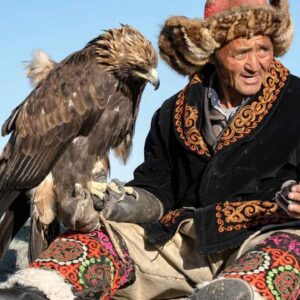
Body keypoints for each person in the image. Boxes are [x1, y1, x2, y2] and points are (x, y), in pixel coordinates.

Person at [0, 0, 299, 299]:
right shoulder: (173, 112)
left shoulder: (295, 100)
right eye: (241, 52)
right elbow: (157, 188)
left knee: (277, 265)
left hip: (265, 236)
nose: (254, 64)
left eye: (263, 49)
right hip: (181, 243)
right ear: (213, 53)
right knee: (78, 254)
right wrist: (113, 204)